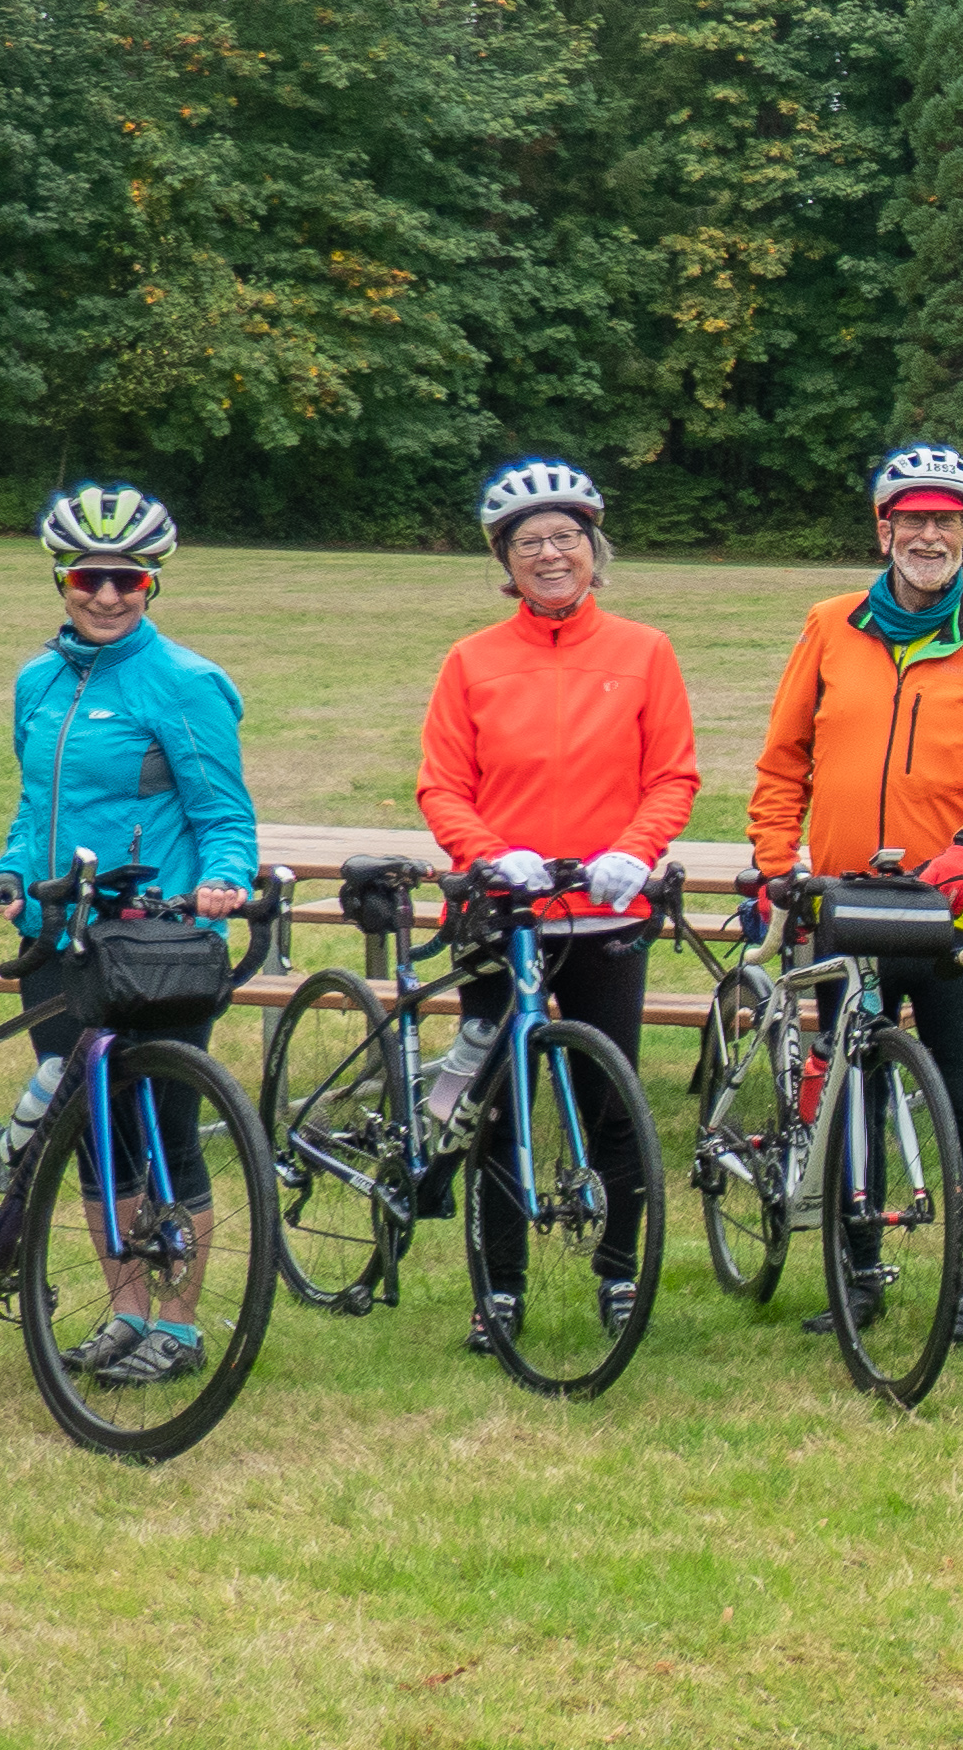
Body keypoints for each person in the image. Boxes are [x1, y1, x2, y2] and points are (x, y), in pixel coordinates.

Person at [744, 440, 963, 1345]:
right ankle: (857, 1275)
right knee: (850, 1087)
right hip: (843, 900)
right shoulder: (829, 626)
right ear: (885, 529)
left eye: (947, 522)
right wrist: (777, 861)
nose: (930, 535)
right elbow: (783, 759)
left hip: (948, 901)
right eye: (914, 520)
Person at [417, 456, 700, 1356]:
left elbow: (673, 774)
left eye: (566, 539)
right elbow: (442, 785)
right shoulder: (473, 661)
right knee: (499, 1105)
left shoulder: (644, 650)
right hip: (510, 914)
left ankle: (620, 1272)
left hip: (606, 910)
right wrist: (490, 855)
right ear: (506, 559)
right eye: (529, 542)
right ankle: (497, 1290)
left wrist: (636, 852)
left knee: (609, 1095)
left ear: (594, 550)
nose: (549, 555)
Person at [0, 482, 260, 1388]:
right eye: (88, 577)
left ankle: (177, 1331)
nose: (106, 595)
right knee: (97, 1137)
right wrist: (13, 876)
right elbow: (34, 809)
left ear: (153, 584)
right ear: (61, 577)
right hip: (59, 939)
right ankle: (126, 1313)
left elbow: (224, 810)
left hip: (154, 944)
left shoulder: (182, 682)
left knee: (165, 1129)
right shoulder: (39, 680)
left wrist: (223, 880)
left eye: (127, 580)